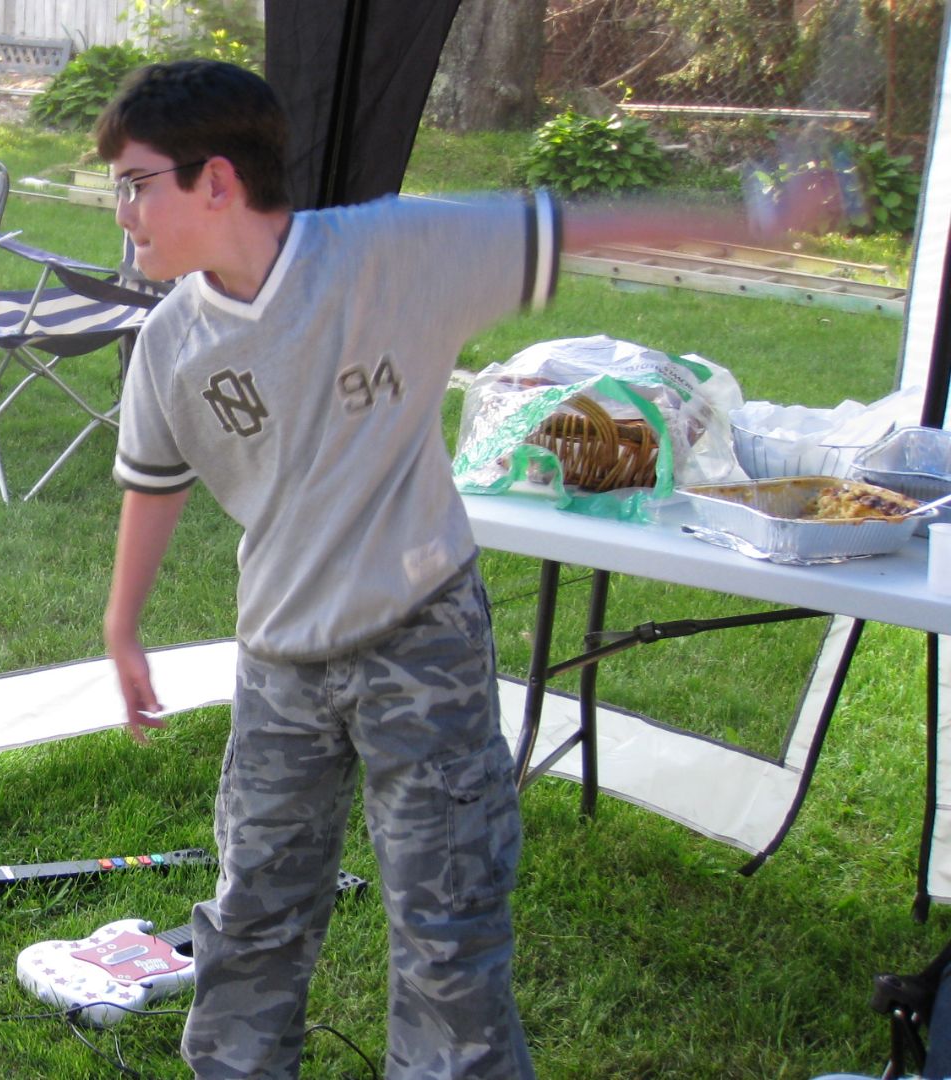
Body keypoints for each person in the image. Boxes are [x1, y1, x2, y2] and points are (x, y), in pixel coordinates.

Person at [96, 60, 829, 1080]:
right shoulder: (171, 343)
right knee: (255, 916)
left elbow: (576, 227)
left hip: (420, 645)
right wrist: (122, 628)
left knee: (448, 927)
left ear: (215, 180)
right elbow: (153, 480)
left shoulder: (396, 254)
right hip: (279, 661)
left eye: (134, 183)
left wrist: (762, 226)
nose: (120, 209)